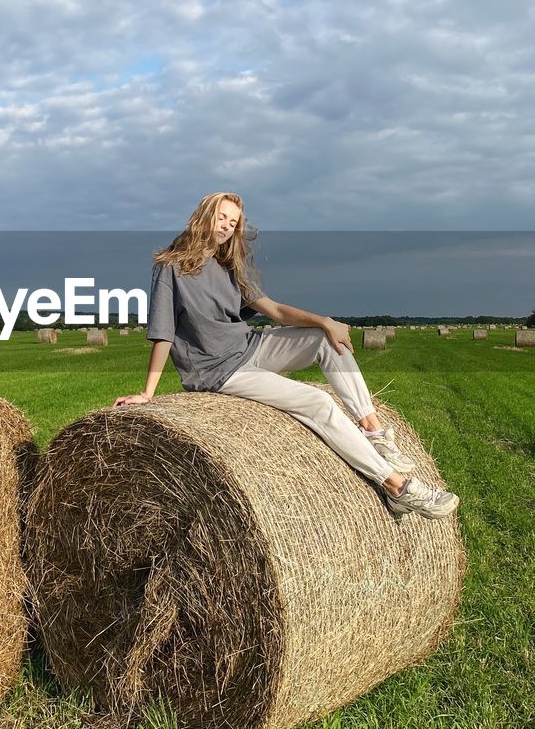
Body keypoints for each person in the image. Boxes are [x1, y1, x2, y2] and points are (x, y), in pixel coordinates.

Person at [113, 191, 459, 520]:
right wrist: (148, 393)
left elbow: (275, 310)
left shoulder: (227, 267)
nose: (225, 226)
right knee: (317, 402)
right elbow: (163, 332)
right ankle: (397, 487)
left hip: (250, 346)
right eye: (221, 217)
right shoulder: (171, 268)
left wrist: (326, 322)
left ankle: (375, 432)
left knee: (323, 340)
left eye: (232, 223)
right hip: (219, 371)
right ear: (204, 216)